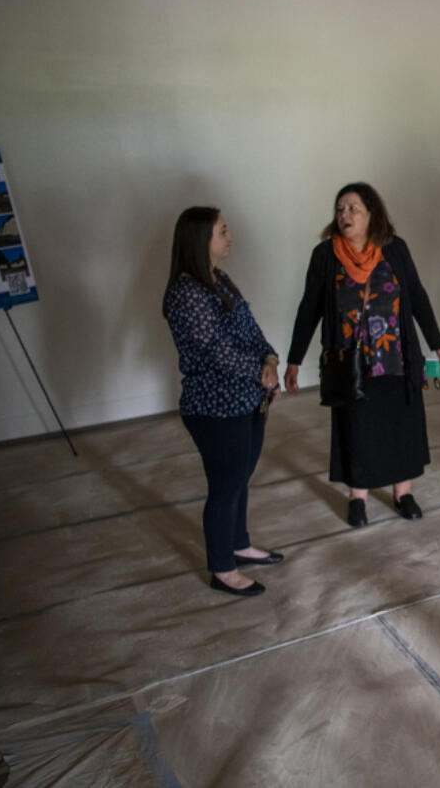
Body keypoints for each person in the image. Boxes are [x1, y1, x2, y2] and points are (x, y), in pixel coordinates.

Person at [284, 182, 440, 528]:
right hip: (350, 364)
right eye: (340, 209)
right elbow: (309, 309)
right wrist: (294, 359)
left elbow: (416, 297)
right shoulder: (326, 255)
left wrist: (437, 344)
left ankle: (402, 493)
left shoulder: (395, 249)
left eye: (352, 209)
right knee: (356, 428)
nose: (344, 215)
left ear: (372, 214)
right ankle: (357, 496)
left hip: (397, 357)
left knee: (399, 426)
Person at [163, 207, 284, 597]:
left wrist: (270, 358)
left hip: (248, 397)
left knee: (239, 480)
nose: (230, 238)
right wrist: (261, 373)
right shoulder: (186, 292)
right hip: (214, 406)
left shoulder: (220, 279)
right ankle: (221, 568)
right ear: (201, 240)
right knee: (225, 486)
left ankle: (239, 543)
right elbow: (217, 351)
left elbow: (249, 328)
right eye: (223, 232)